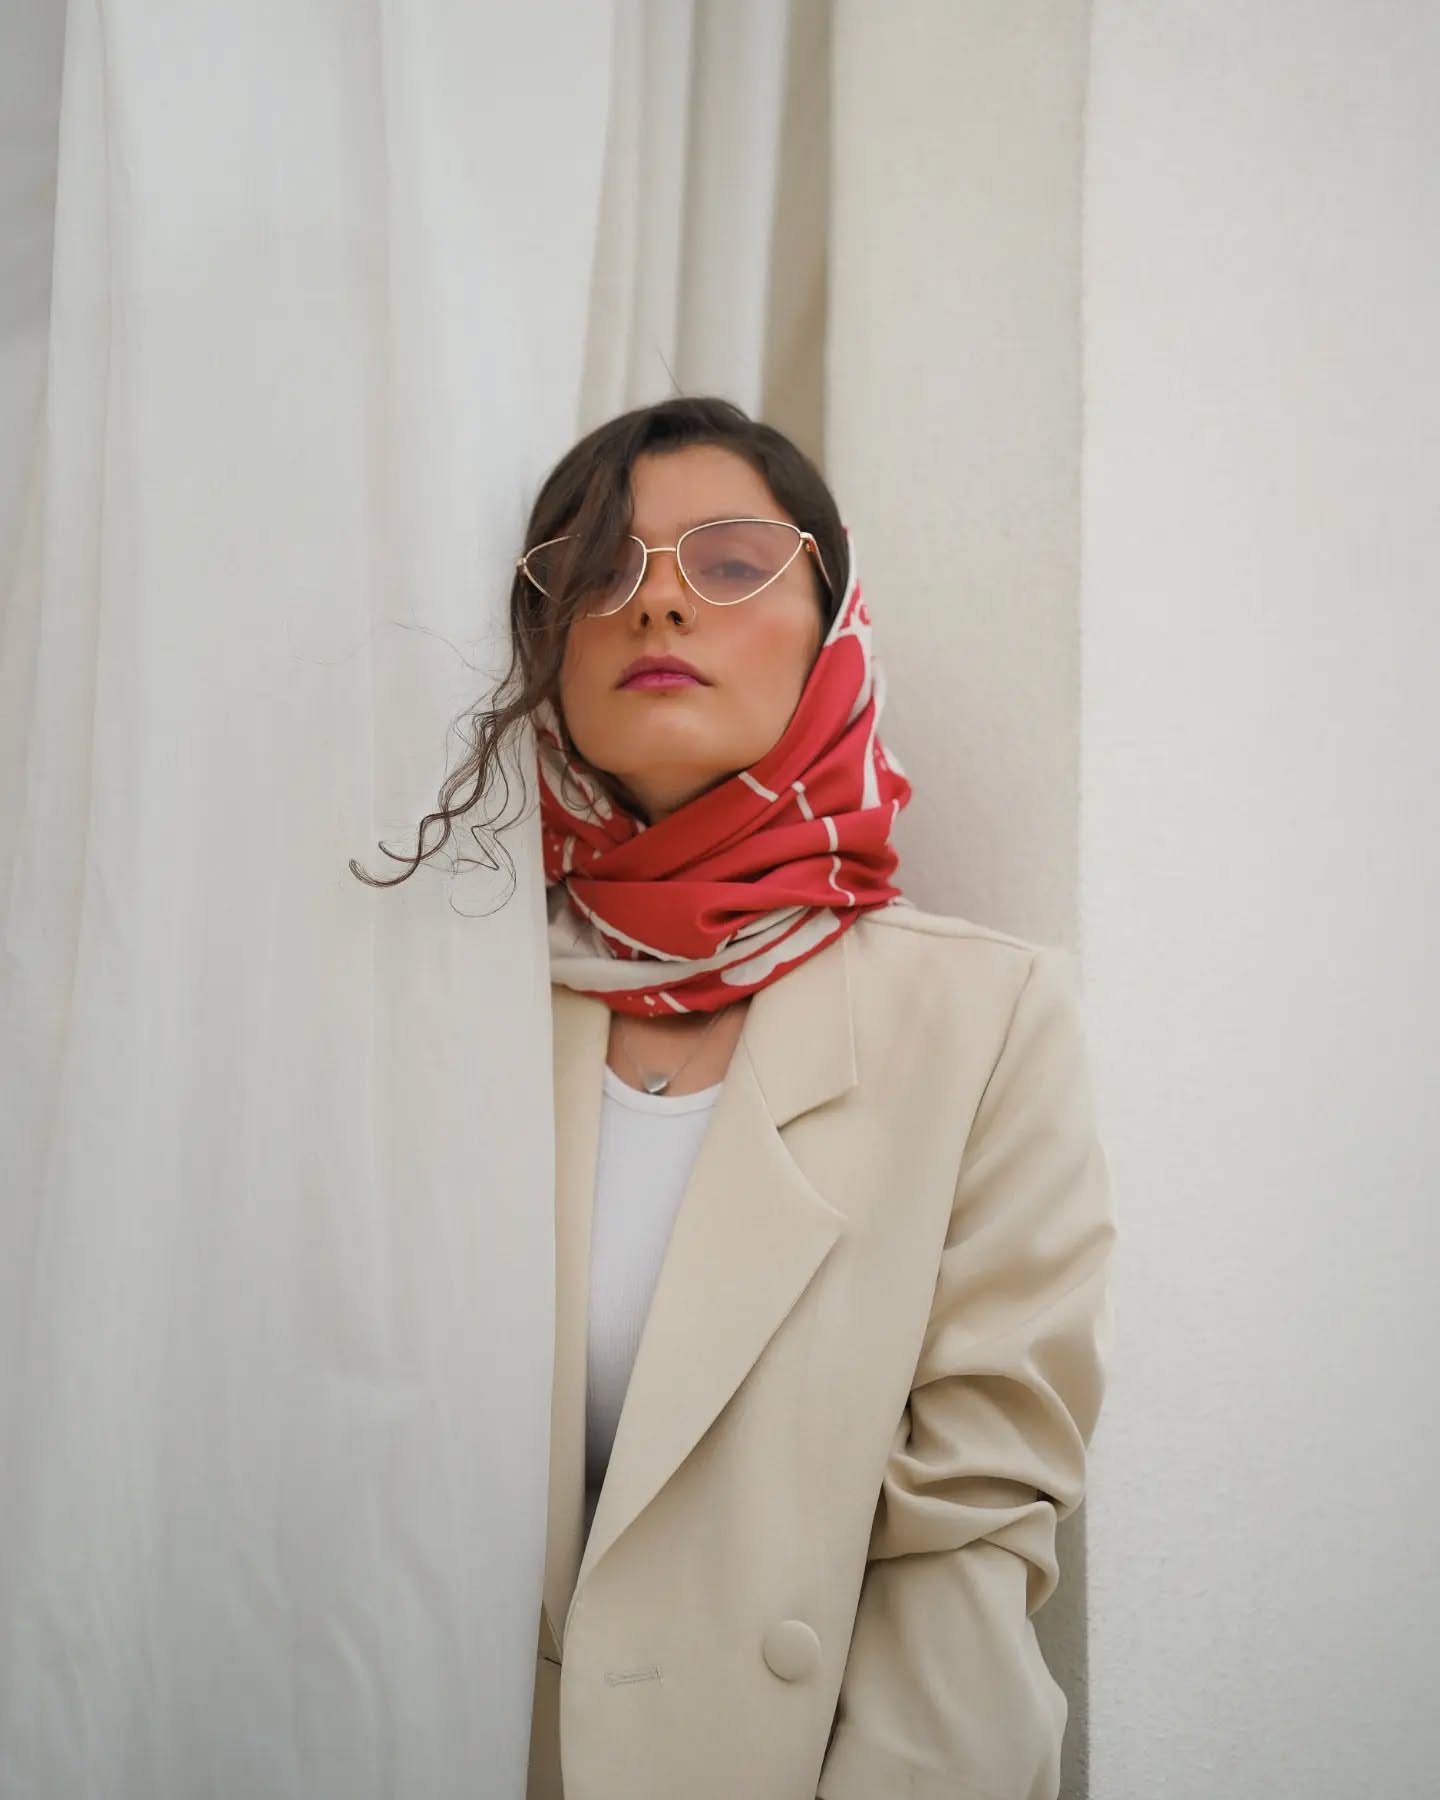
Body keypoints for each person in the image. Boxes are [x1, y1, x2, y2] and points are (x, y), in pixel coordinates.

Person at [353, 396, 1116, 1800]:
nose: (655, 603)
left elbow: (973, 1524)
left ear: (834, 627)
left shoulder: (984, 1019)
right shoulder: (447, 1014)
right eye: (600, 569)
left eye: (728, 561)